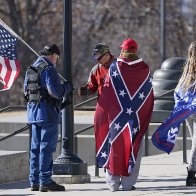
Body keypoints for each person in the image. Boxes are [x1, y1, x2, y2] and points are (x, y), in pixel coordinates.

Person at [94, 38, 154, 191]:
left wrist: (102, 116)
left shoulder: (115, 68)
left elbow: (106, 94)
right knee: (133, 147)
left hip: (116, 118)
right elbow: (148, 95)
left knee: (114, 147)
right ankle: (128, 184)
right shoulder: (145, 68)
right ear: (136, 51)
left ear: (123, 51)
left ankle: (113, 184)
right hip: (136, 118)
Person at [24, 43, 73, 192]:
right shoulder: (49, 69)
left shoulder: (31, 68)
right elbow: (55, 92)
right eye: (57, 57)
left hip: (33, 113)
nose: (56, 60)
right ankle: (45, 181)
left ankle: (34, 181)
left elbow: (26, 91)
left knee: (35, 149)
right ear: (53, 56)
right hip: (47, 114)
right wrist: (67, 87)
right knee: (46, 148)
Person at [174, 41, 196, 186]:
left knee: (194, 141)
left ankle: (192, 172)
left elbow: (179, 89)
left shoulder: (188, 69)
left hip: (186, 109)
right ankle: (191, 173)